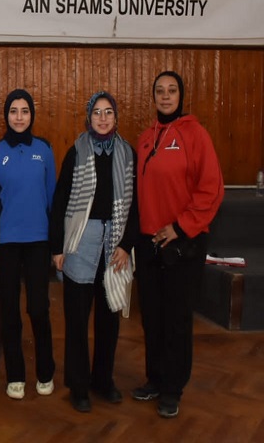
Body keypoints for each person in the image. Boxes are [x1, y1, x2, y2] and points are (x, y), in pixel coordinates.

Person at [133, 71, 223, 419]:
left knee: (177, 320)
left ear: (180, 96)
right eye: (160, 91)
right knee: (152, 318)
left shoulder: (195, 135)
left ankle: (173, 388)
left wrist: (180, 227)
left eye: (172, 91)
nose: (166, 96)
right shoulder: (144, 138)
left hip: (182, 244)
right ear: (153, 96)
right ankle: (155, 379)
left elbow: (211, 190)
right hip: (149, 243)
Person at [49, 91, 138, 413]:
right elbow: (60, 201)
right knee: (76, 319)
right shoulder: (76, 151)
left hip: (114, 245)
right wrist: (57, 248)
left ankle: (103, 380)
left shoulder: (128, 154)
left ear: (116, 118)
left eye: (108, 112)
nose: (102, 118)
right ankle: (79, 385)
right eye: (97, 113)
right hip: (80, 243)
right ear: (89, 118)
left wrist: (127, 244)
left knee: (108, 319)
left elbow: (136, 206)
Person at [0, 89, 56, 401]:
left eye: (25, 111)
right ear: (6, 115)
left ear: (32, 115)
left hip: (39, 243)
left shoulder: (45, 150)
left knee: (39, 310)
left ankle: (46, 371)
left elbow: (53, 200)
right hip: (6, 244)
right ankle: (15, 376)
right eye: (14, 111)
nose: (20, 117)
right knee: (9, 312)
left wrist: (55, 245)